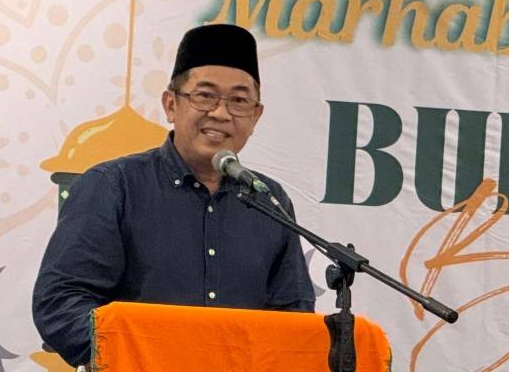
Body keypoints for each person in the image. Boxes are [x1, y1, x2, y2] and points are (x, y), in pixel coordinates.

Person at [32, 24, 315, 367]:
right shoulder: (113, 186)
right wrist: (142, 356)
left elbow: (294, 315)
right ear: (171, 105)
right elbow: (61, 302)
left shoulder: (268, 200)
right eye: (205, 96)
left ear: (255, 116)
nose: (221, 113)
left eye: (239, 101)